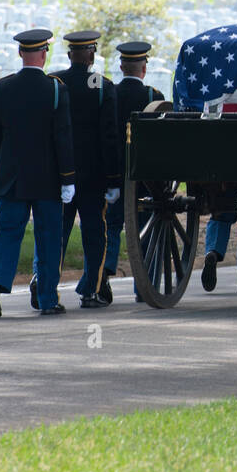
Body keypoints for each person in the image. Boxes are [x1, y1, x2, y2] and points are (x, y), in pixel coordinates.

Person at [0, 29, 76, 318]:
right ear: (44, 54)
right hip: (47, 179)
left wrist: (0, 166)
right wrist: (68, 177)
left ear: (21, 53)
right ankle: (47, 298)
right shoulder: (56, 89)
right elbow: (63, 137)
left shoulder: (3, 87)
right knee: (48, 237)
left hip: (11, 177)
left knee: (7, 233)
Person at [49, 30, 121, 309]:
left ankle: (43, 281)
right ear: (91, 55)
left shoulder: (54, 82)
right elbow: (109, 137)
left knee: (57, 232)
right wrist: (113, 178)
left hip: (60, 173)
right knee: (94, 234)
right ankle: (89, 289)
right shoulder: (102, 85)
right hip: (93, 176)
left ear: (69, 55)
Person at [102, 41, 165, 302]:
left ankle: (102, 278)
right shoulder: (153, 97)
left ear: (121, 66)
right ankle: (144, 285)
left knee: (111, 227)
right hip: (144, 178)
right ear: (144, 69)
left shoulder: (108, 94)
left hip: (114, 174)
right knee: (145, 230)